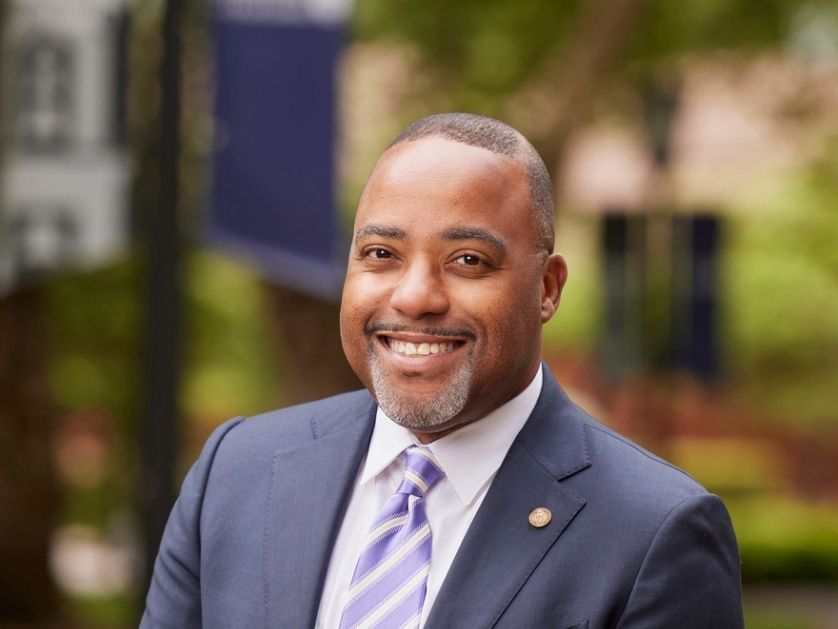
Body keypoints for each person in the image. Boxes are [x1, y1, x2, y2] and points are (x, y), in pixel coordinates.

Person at [141, 113, 744, 628]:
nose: (416, 296)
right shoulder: (238, 471)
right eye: (381, 254)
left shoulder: (655, 533)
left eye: (467, 260)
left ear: (547, 288)